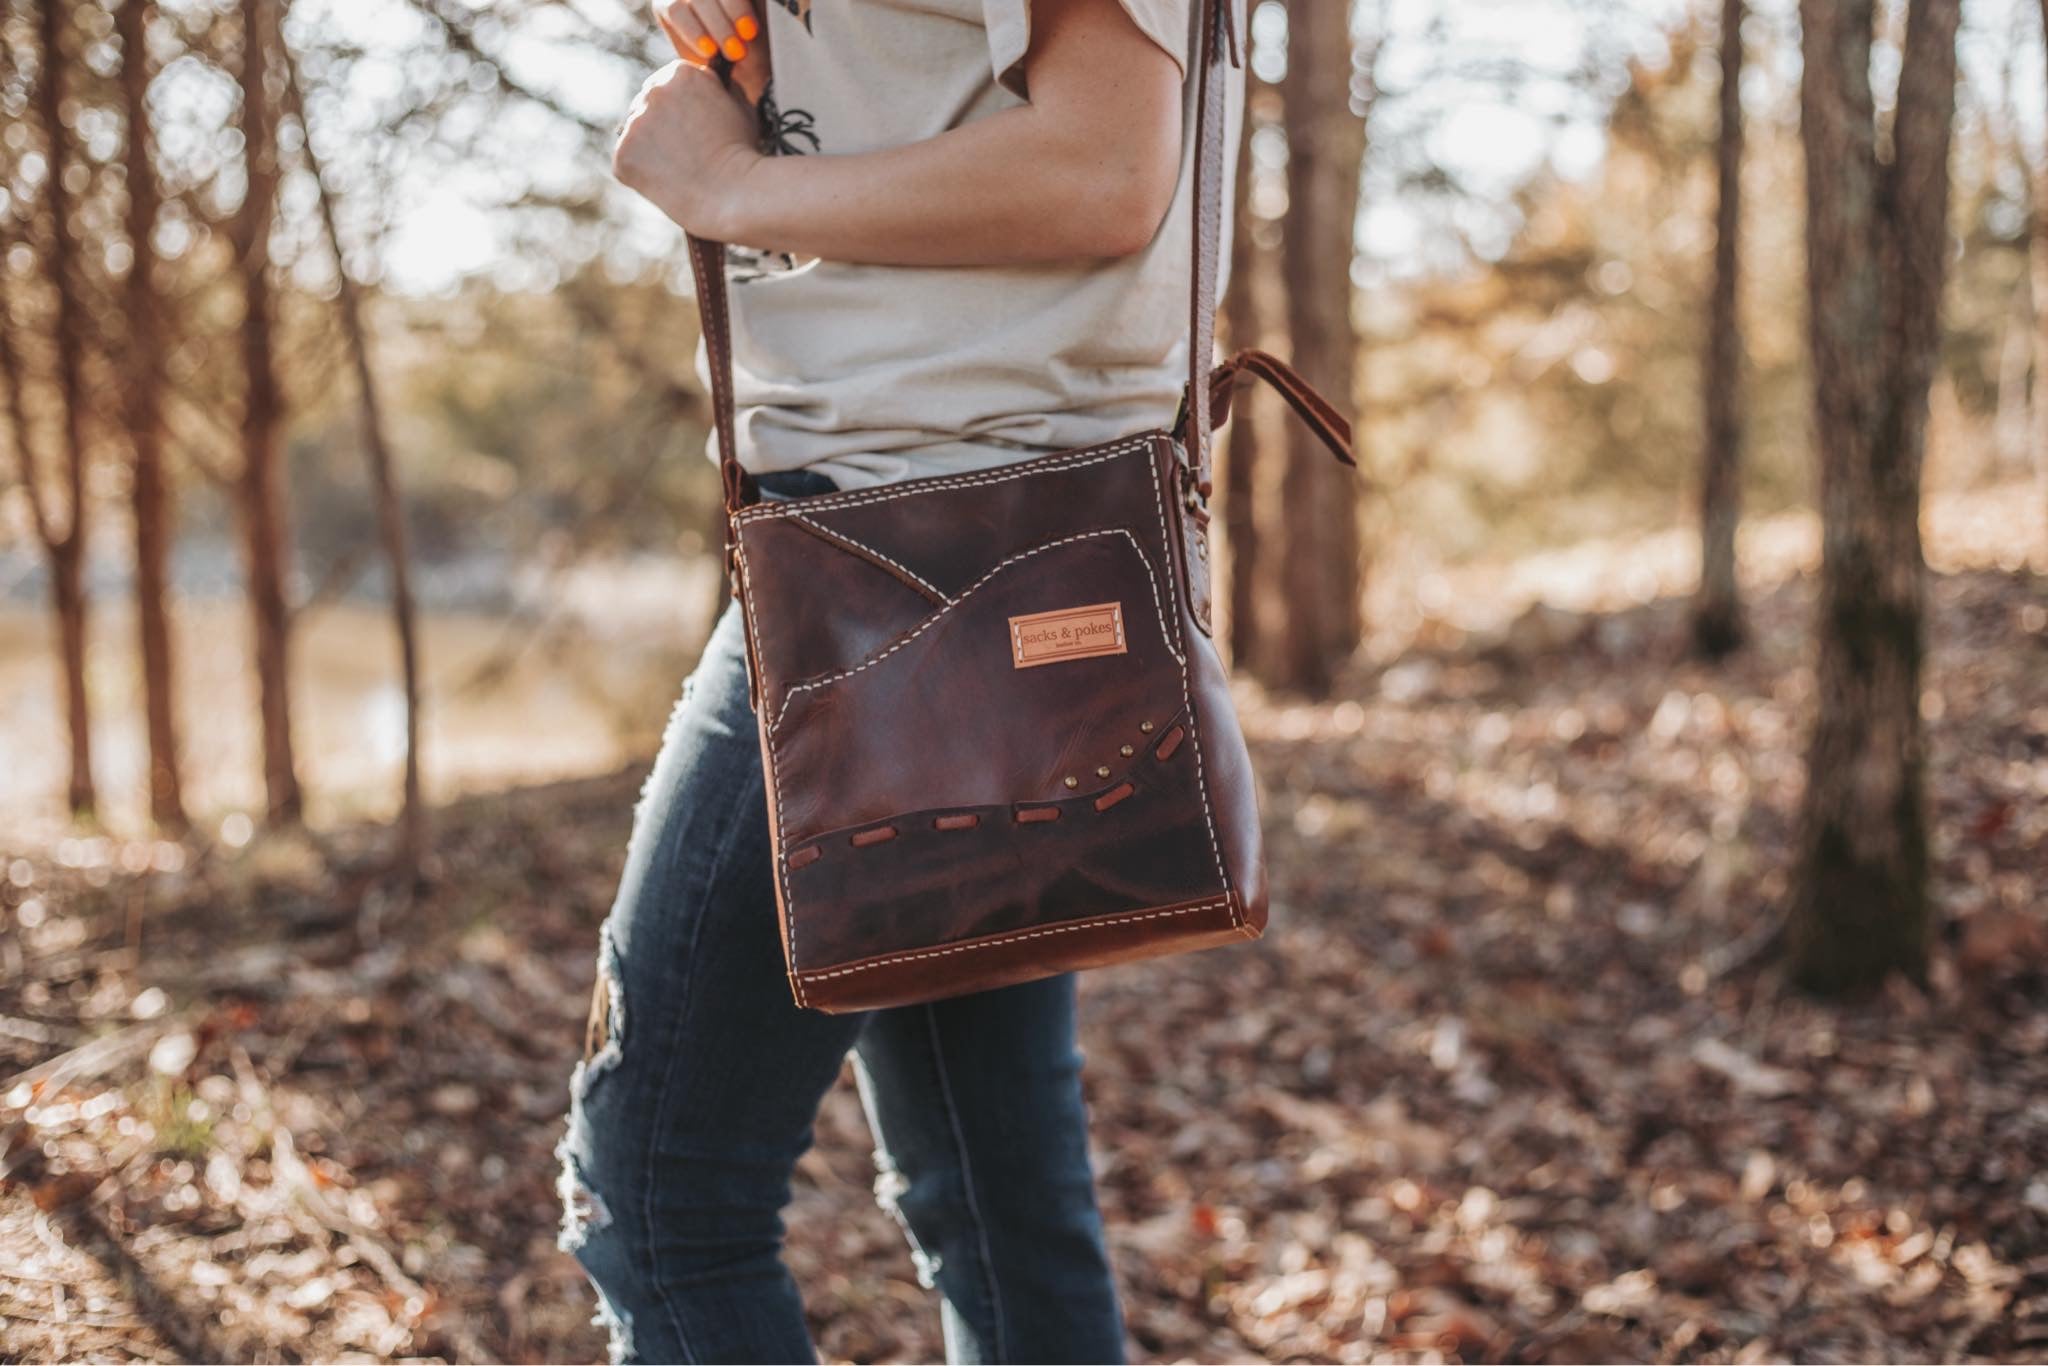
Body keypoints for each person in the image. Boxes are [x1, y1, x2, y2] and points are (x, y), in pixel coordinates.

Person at [557, 0, 1241, 1360]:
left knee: (659, 1196)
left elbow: (1105, 168)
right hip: (956, 539)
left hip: (891, 559)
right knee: (994, 1203)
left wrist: (732, 186)